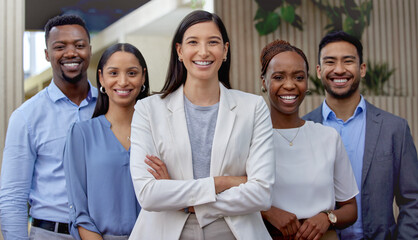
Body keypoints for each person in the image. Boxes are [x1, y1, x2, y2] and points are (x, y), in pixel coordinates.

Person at [128, 10, 275, 240]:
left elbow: (261, 193)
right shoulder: (148, 110)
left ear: (225, 50)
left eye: (213, 42)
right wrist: (223, 182)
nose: (203, 51)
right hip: (165, 231)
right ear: (180, 51)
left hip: (233, 230)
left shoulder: (253, 107)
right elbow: (148, 194)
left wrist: (188, 201)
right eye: (193, 42)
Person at [303, 31, 418, 239]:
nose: (339, 70)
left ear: (362, 69)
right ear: (319, 71)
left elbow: (412, 200)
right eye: (330, 62)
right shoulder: (303, 128)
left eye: (348, 61)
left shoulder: (395, 129)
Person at [0, 15, 97, 239]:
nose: (71, 53)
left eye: (79, 45)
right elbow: (13, 197)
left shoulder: (110, 106)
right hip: (51, 233)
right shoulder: (26, 117)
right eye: (60, 47)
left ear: (89, 50)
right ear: (46, 54)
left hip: (106, 233)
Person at [259, 39, 358, 240]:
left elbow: (350, 209)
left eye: (298, 77)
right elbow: (232, 196)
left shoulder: (328, 137)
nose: (289, 85)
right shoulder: (252, 138)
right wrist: (268, 211)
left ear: (307, 82)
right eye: (278, 77)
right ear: (264, 82)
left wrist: (327, 217)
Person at [63, 43, 148, 239]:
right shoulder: (81, 134)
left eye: (132, 73)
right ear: (101, 77)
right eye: (113, 73)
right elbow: (79, 212)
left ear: (143, 76)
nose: (123, 81)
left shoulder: (159, 132)